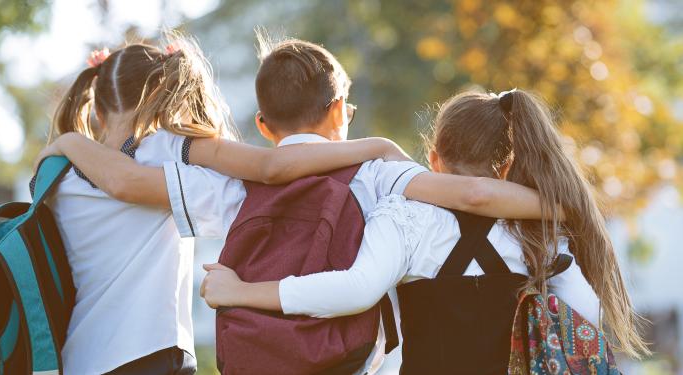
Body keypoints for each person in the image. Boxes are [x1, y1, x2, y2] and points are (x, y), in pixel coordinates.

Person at [40, 36, 551, 373]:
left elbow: (137, 183)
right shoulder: (377, 174)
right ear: (338, 113)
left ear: (262, 125)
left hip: (262, 357)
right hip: (355, 360)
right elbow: (471, 193)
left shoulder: (228, 189)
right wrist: (560, 205)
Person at [200, 90, 650, 373]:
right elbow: (585, 313)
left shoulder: (405, 217)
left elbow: (354, 290)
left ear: (433, 159)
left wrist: (241, 291)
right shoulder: (539, 230)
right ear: (509, 164)